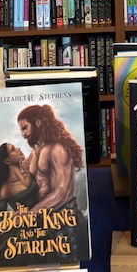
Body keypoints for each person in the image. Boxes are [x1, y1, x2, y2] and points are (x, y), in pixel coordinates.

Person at [17, 103, 86, 260]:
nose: (23, 134)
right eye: (21, 130)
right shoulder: (35, 153)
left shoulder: (57, 149)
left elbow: (60, 192)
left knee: (66, 270)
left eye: (25, 128)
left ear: (38, 123)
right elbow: (34, 188)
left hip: (64, 219)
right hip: (45, 221)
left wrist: (29, 214)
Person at [0, 142, 38, 262]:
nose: (19, 149)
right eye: (13, 149)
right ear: (7, 161)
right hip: (26, 230)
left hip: (48, 220)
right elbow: (0, 218)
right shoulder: (6, 188)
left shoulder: (29, 172)